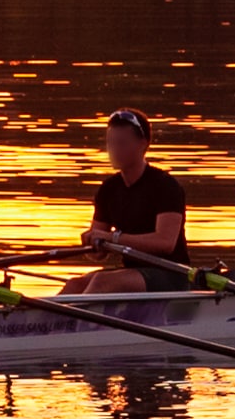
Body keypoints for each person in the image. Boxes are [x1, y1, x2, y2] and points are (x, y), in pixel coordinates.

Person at [60, 107, 190, 294]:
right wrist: (92, 244)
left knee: (102, 282)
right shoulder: (108, 189)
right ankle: (38, 322)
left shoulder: (166, 186)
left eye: (122, 143)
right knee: (74, 285)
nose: (114, 150)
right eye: (111, 143)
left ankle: (76, 322)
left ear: (143, 144)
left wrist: (113, 238)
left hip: (171, 273)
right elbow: (99, 255)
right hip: (132, 273)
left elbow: (165, 243)